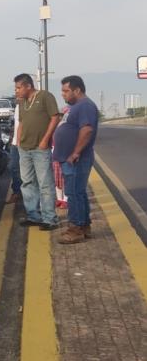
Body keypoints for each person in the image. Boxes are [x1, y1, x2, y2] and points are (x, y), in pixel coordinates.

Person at [53, 75, 99, 244]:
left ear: (77, 90)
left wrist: (75, 153)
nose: (63, 94)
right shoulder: (77, 106)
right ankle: (84, 226)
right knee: (78, 193)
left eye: (66, 91)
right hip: (71, 158)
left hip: (76, 159)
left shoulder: (85, 106)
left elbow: (86, 130)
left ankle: (76, 229)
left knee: (73, 193)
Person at [14, 73, 61, 230]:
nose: (17, 91)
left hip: (40, 149)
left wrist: (45, 140)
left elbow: (55, 117)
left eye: (19, 87)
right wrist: (18, 141)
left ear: (28, 86)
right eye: (16, 88)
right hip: (24, 149)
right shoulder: (22, 102)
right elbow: (21, 122)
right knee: (27, 182)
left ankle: (50, 219)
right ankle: (33, 215)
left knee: (45, 183)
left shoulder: (45, 96)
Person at [6, 96, 22, 204]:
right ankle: (16, 192)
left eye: (19, 89)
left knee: (28, 171)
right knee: (13, 167)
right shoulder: (17, 107)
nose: (16, 94)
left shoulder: (28, 107)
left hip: (24, 143)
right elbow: (17, 124)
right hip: (15, 143)